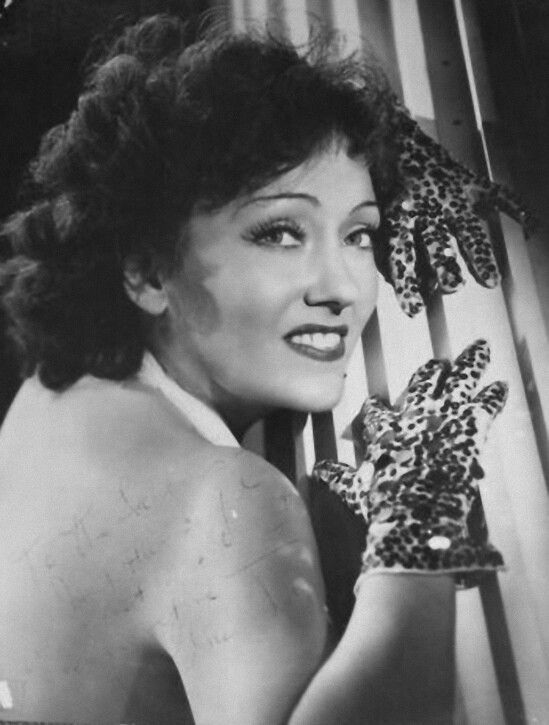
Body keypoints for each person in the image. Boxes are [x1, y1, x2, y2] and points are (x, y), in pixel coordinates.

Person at [0, 14, 525, 725]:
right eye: (279, 233)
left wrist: (340, 161)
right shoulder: (231, 500)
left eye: (359, 233)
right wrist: (418, 530)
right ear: (147, 270)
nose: (340, 288)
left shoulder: (51, 392)